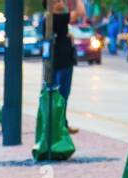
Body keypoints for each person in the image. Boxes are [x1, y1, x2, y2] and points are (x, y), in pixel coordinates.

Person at [49, 1, 76, 131]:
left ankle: (59, 123)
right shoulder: (60, 18)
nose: (62, 2)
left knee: (54, 94)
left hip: (53, 63)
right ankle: (60, 125)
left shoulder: (46, 20)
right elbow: (81, 12)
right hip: (64, 63)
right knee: (62, 94)